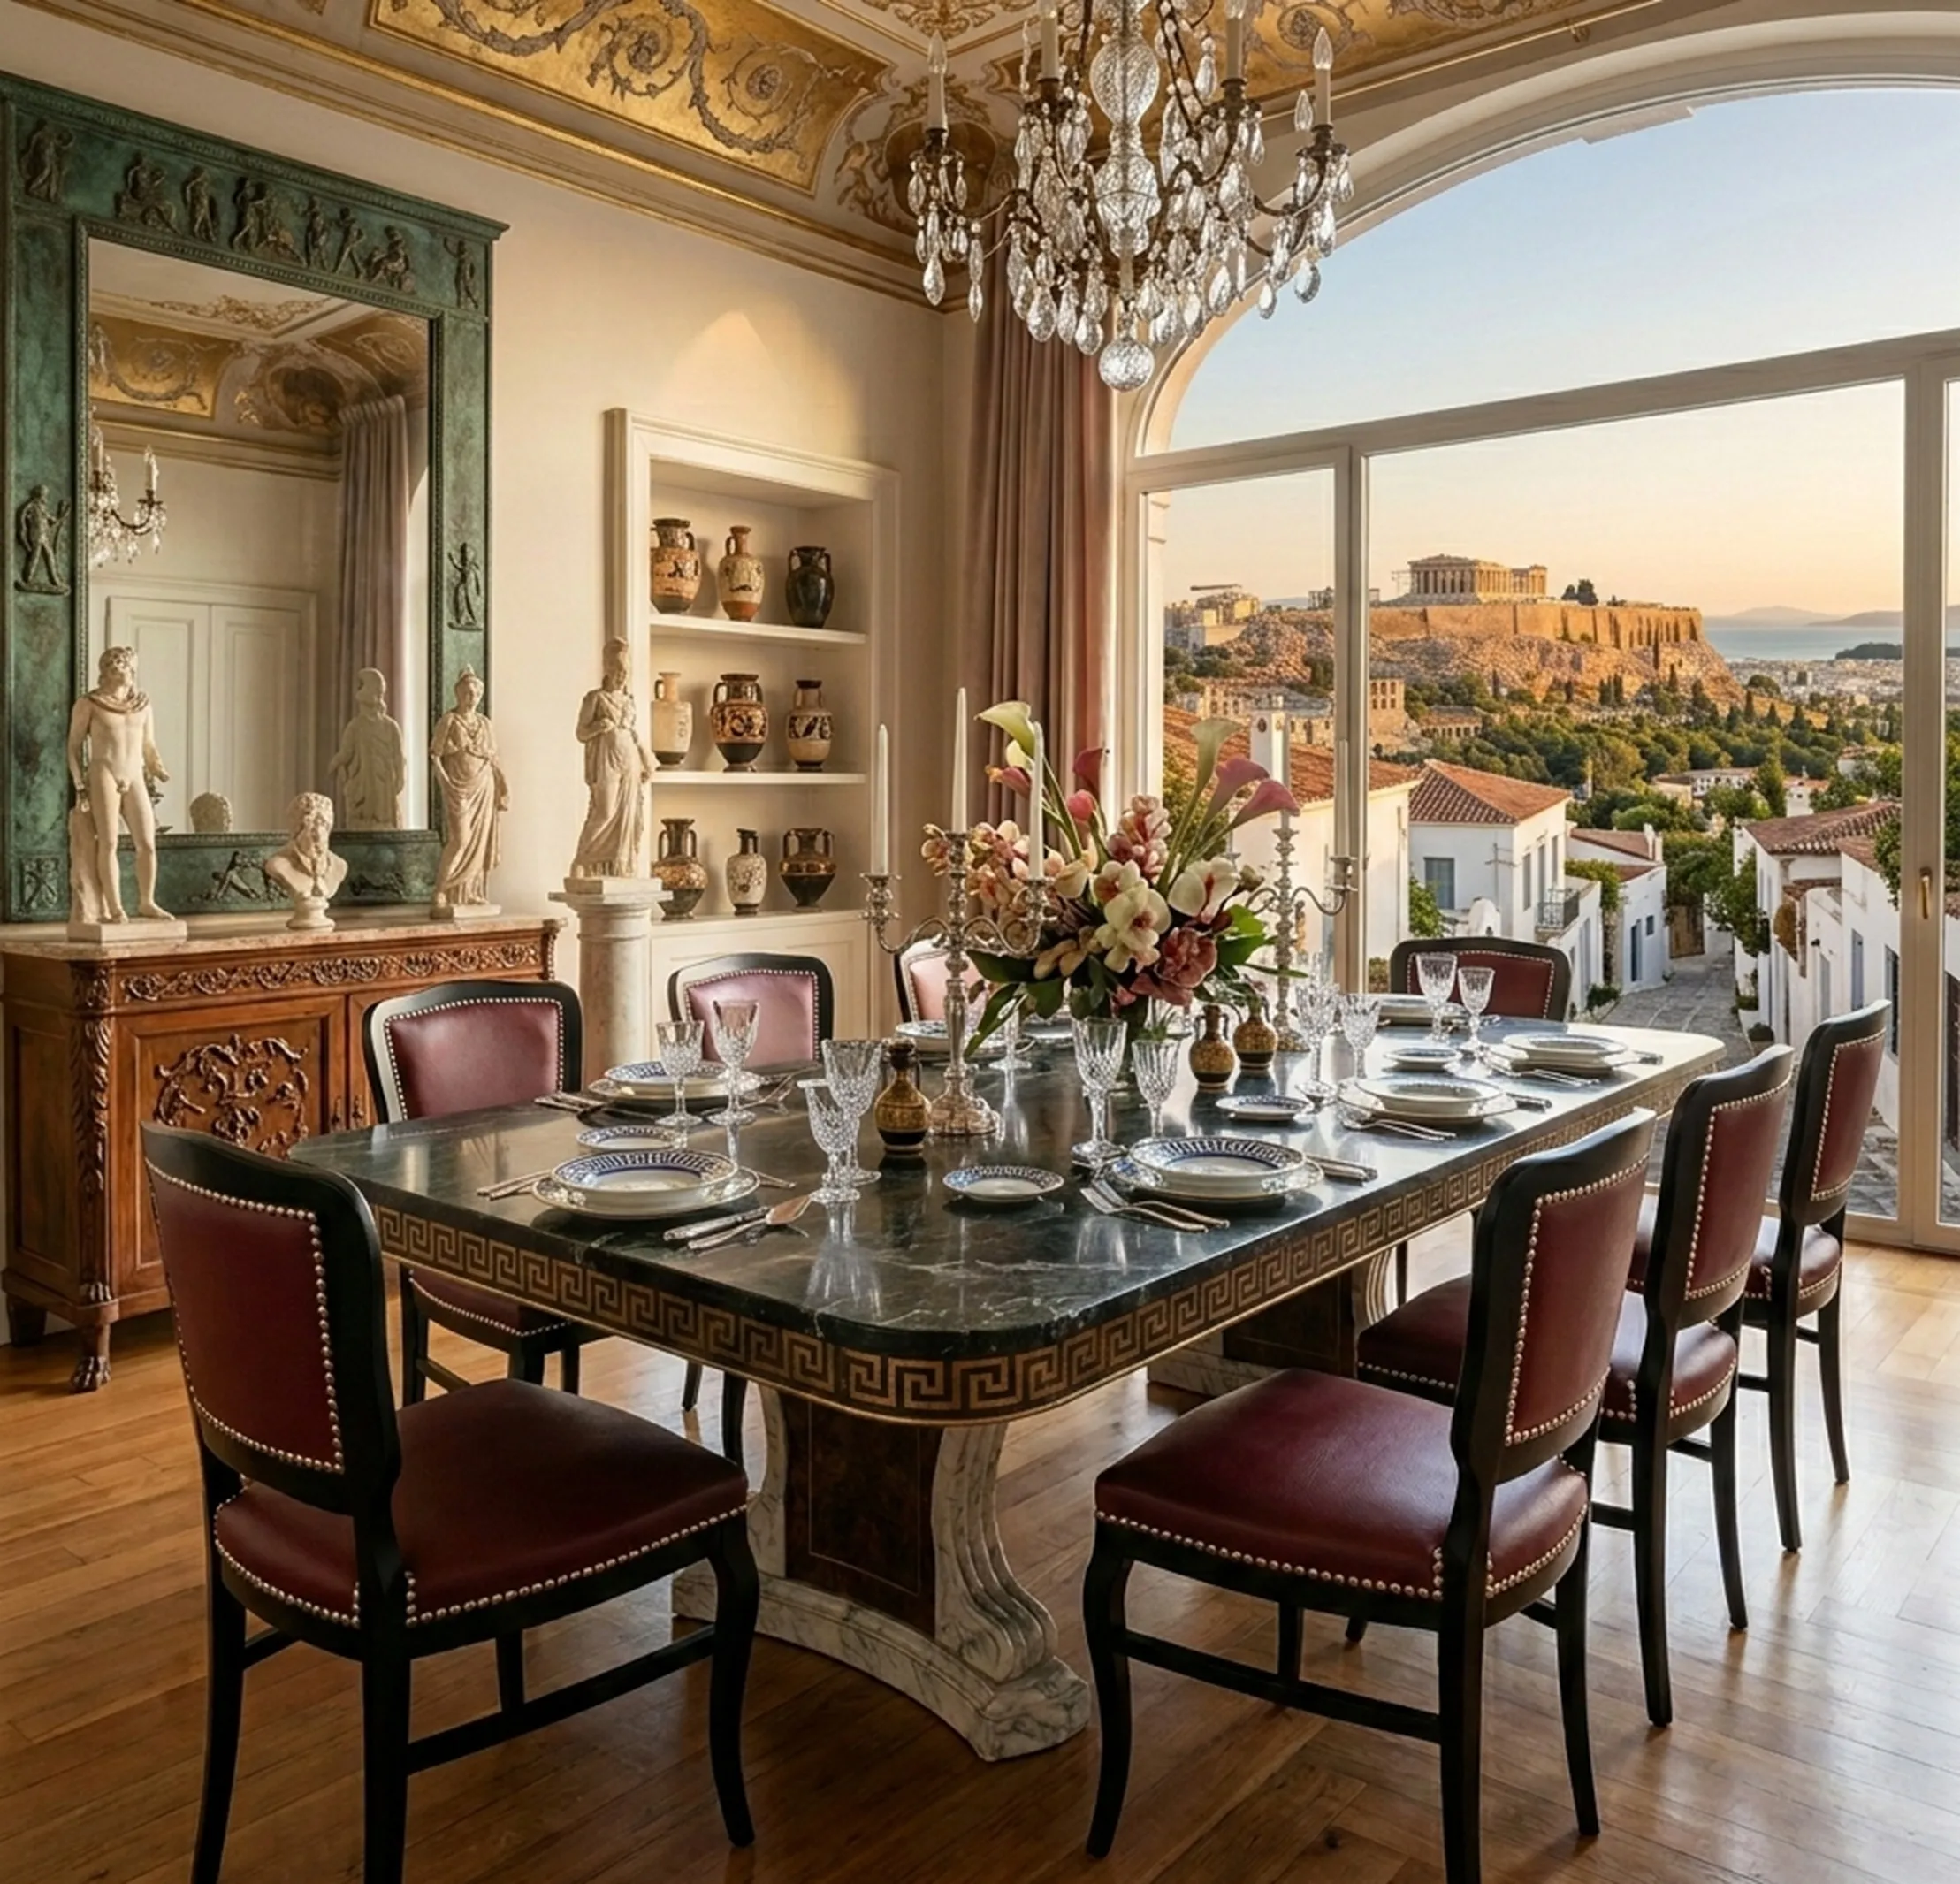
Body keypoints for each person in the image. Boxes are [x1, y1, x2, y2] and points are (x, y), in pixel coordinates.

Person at [66, 646, 172, 923]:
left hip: (134, 773)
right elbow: (73, 747)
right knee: (109, 841)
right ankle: (115, 908)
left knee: (147, 842)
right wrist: (80, 785)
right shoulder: (89, 703)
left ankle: (147, 901)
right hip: (104, 772)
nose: (123, 674)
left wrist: (156, 766)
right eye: (116, 669)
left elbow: (148, 744)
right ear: (106, 673)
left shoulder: (143, 704)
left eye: (126, 669)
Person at [570, 637, 654, 878]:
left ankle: (620, 866)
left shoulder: (629, 700)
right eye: (618, 670)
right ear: (607, 668)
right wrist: (598, 726)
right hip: (606, 760)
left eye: (626, 671)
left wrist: (645, 760)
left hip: (630, 760)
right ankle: (582, 860)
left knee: (627, 816)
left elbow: (633, 734)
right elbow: (581, 732)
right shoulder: (594, 698)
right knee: (604, 811)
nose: (622, 676)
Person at [430, 668, 506, 914]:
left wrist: (503, 786)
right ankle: (442, 889)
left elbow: (493, 757)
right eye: (468, 692)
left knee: (478, 842)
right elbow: (435, 755)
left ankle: (471, 893)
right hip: (458, 788)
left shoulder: (485, 723)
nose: (472, 696)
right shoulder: (449, 721)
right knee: (461, 839)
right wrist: (445, 783)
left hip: (484, 785)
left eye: (476, 692)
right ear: (459, 693)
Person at [328, 667, 408, 829]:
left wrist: (400, 777)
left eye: (362, 686)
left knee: (384, 823)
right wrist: (334, 765)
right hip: (364, 784)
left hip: (385, 785)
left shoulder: (391, 727)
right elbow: (346, 753)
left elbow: (399, 757)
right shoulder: (355, 726)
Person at [264, 792, 347, 930]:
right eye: (312, 829)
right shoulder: (278, 865)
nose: (319, 836)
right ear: (297, 831)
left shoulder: (339, 866)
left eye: (324, 827)